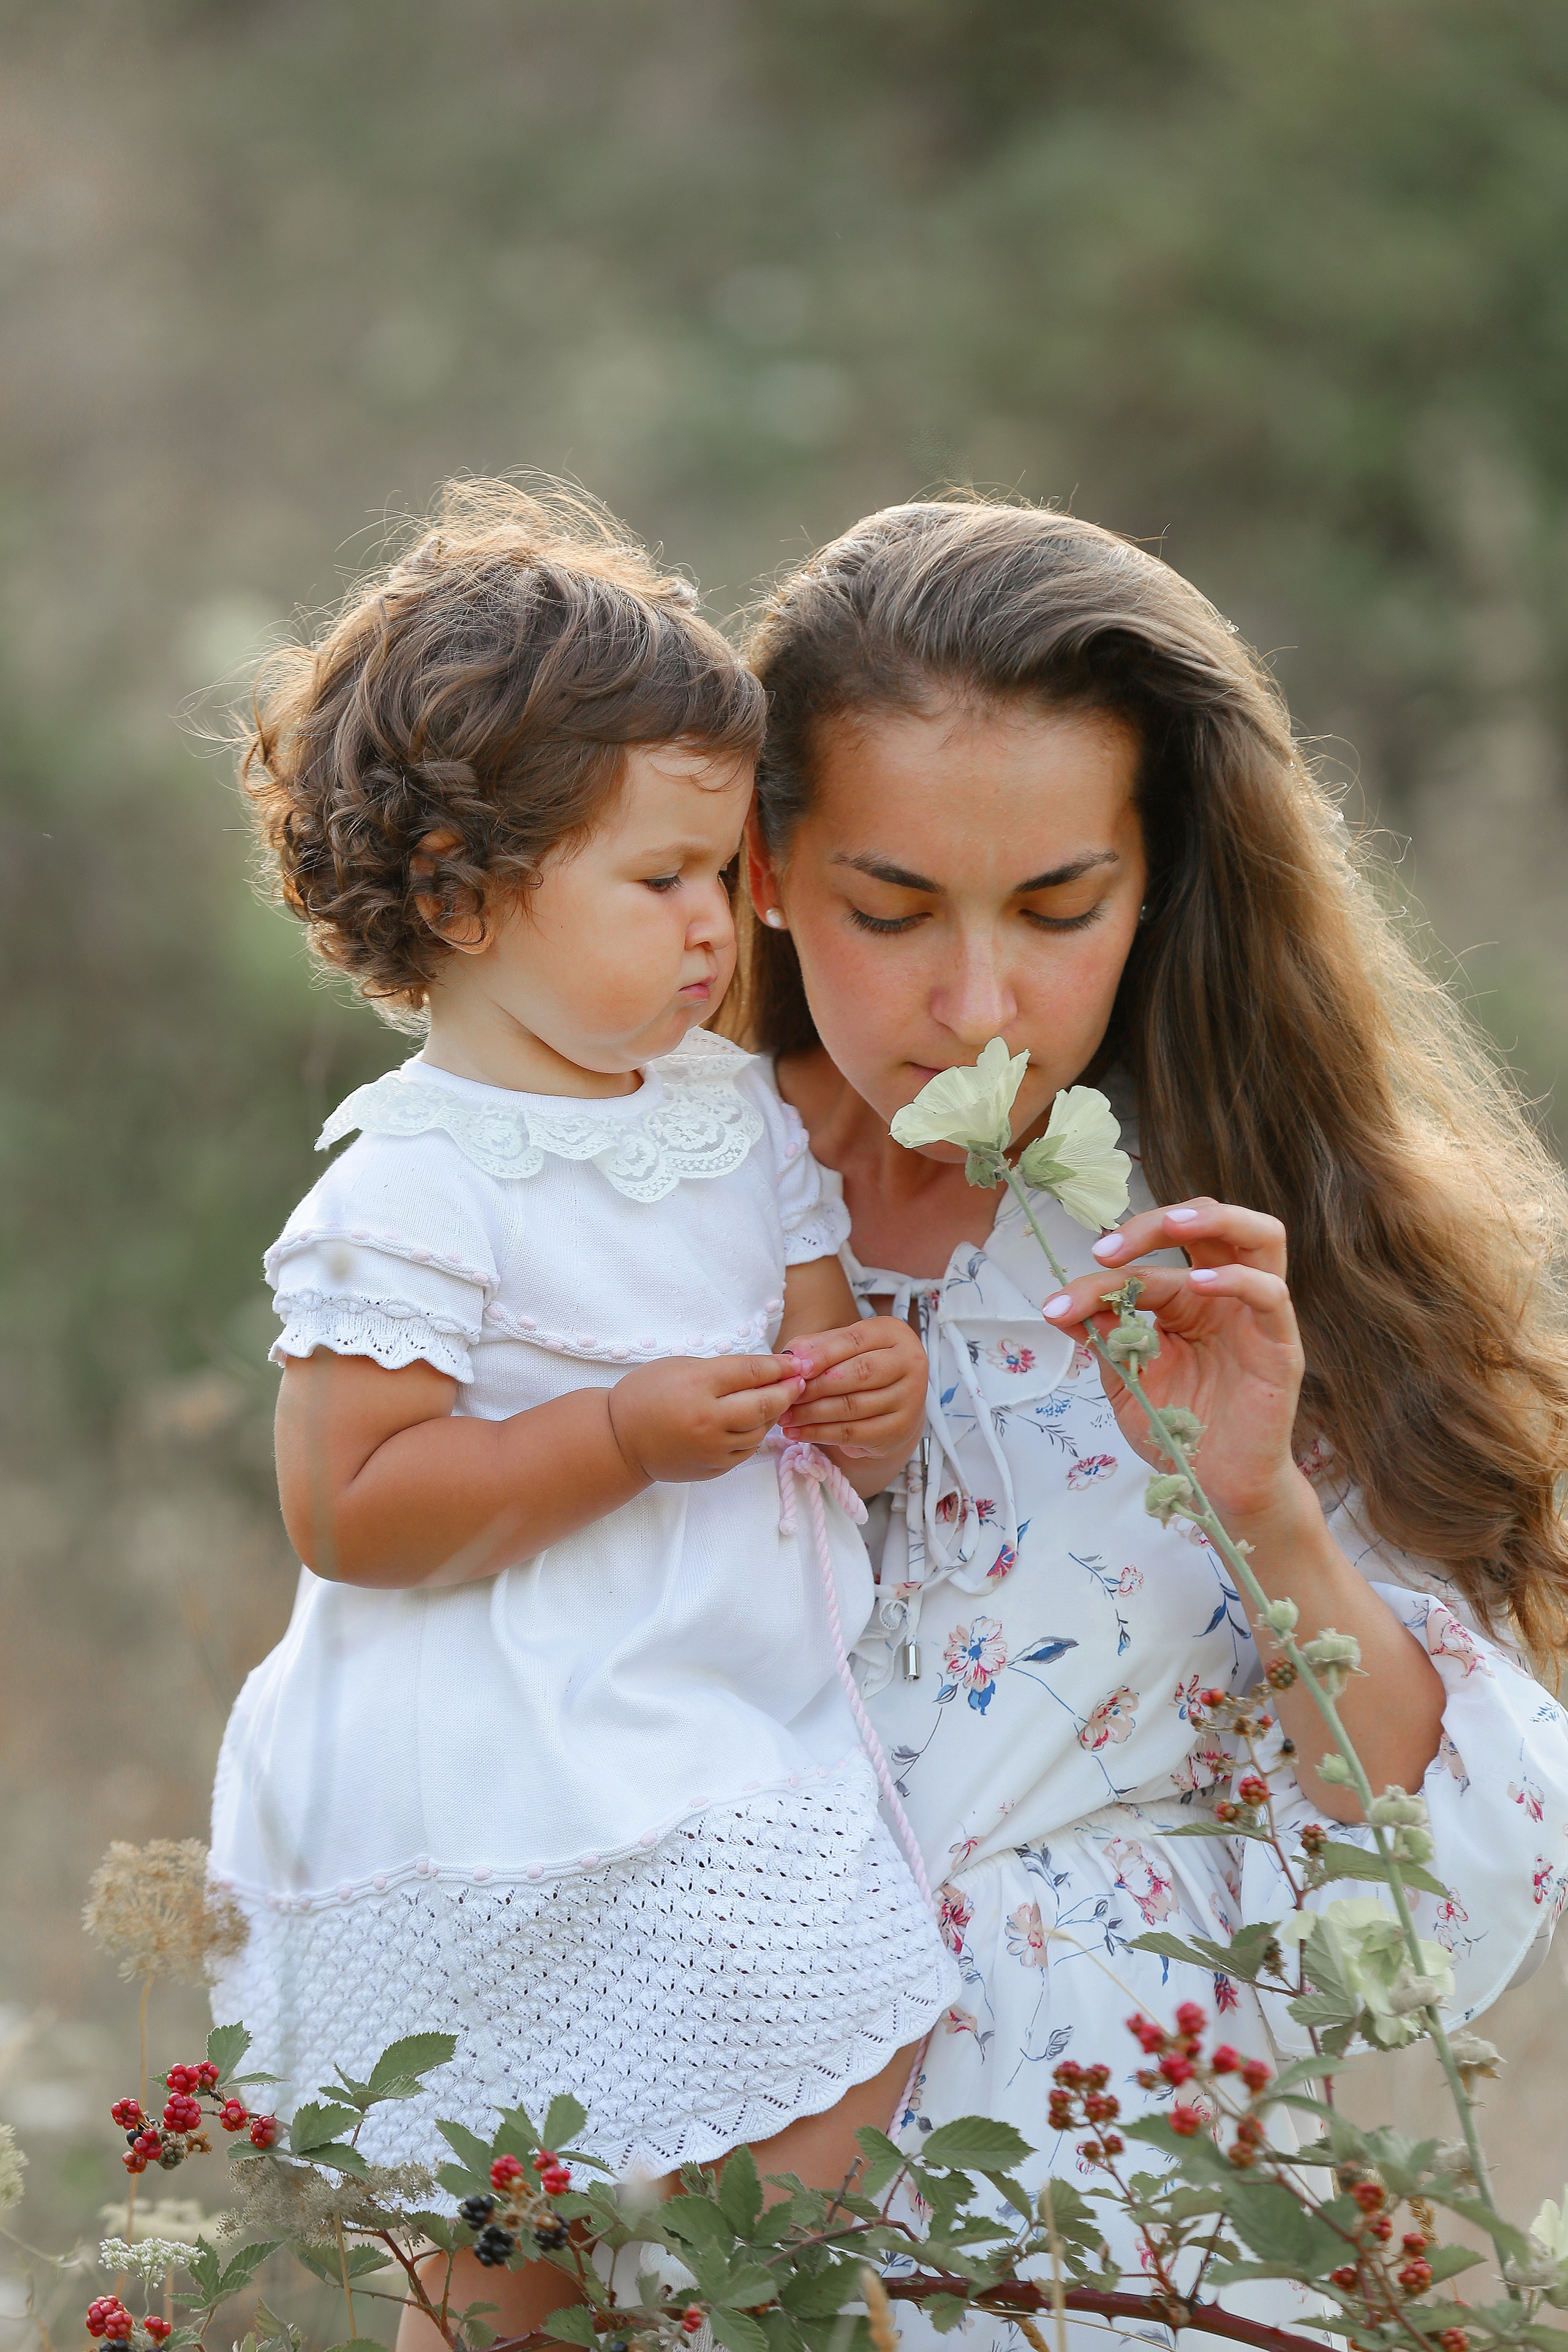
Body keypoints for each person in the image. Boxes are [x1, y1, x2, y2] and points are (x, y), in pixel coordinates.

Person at [735, 495, 1568, 2342]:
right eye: (891, 909)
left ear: (1159, 879)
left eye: (1057, 908)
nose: (977, 1003)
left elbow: (1410, 1949)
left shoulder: (1250, 1243)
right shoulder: (623, 1194)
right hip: (681, 2193)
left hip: (1110, 2231)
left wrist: (1258, 1507)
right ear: (769, 866)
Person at [205, 481, 955, 2347]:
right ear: (462, 892)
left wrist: (865, 1394)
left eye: (726, 876)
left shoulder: (725, 1113)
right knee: (495, 2258)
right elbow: (351, 1508)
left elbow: (812, 1377)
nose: (720, 929)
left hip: (715, 1725)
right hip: (494, 1772)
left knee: (821, 2124)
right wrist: (614, 1436)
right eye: (662, 880)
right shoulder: (413, 1183)